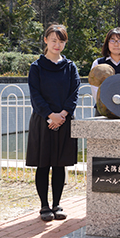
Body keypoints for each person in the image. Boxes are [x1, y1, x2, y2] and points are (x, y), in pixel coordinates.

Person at [26, 24, 81, 222]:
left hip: (64, 121)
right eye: (53, 40)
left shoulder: (70, 66)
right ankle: (44, 206)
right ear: (46, 41)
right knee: (43, 165)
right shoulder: (37, 67)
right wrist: (51, 116)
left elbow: (74, 93)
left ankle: (57, 204)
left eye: (61, 41)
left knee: (59, 165)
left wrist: (63, 114)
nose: (57, 44)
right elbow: (35, 95)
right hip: (43, 121)